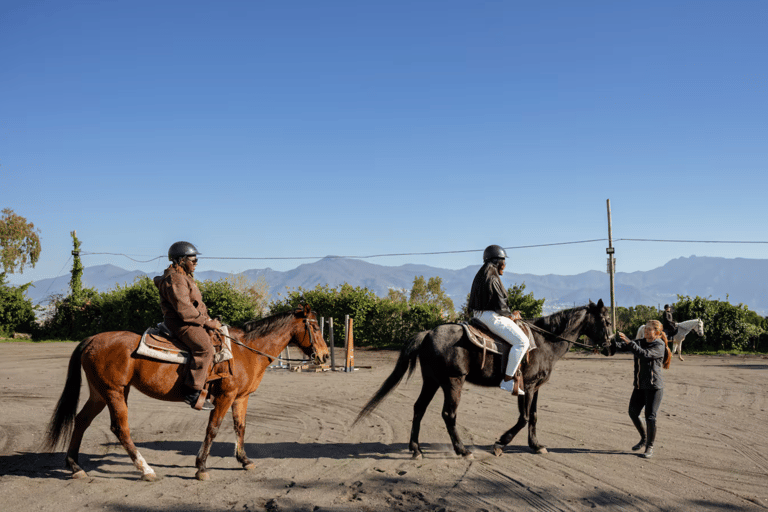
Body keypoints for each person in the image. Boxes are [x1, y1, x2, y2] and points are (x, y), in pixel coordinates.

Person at [154, 241, 221, 411]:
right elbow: (184, 309)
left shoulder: (183, 276)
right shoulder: (175, 278)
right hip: (182, 323)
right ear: (181, 260)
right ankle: (192, 391)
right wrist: (207, 322)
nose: (196, 263)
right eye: (193, 260)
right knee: (205, 348)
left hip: (191, 320)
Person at [467, 244, 530, 396]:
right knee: (522, 342)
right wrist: (512, 316)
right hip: (490, 316)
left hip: (478, 315)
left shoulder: (481, 274)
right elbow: (500, 305)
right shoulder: (492, 277)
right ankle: (507, 380)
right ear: (497, 261)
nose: (505, 265)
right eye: (503, 261)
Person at [617, 319, 671, 458]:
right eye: (645, 329)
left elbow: (644, 354)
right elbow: (621, 346)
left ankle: (649, 447)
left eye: (649, 329)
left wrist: (630, 343)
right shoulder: (640, 341)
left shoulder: (659, 345)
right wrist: (605, 346)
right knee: (633, 412)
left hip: (654, 387)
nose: (645, 331)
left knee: (650, 417)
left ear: (657, 332)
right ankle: (644, 438)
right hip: (640, 387)